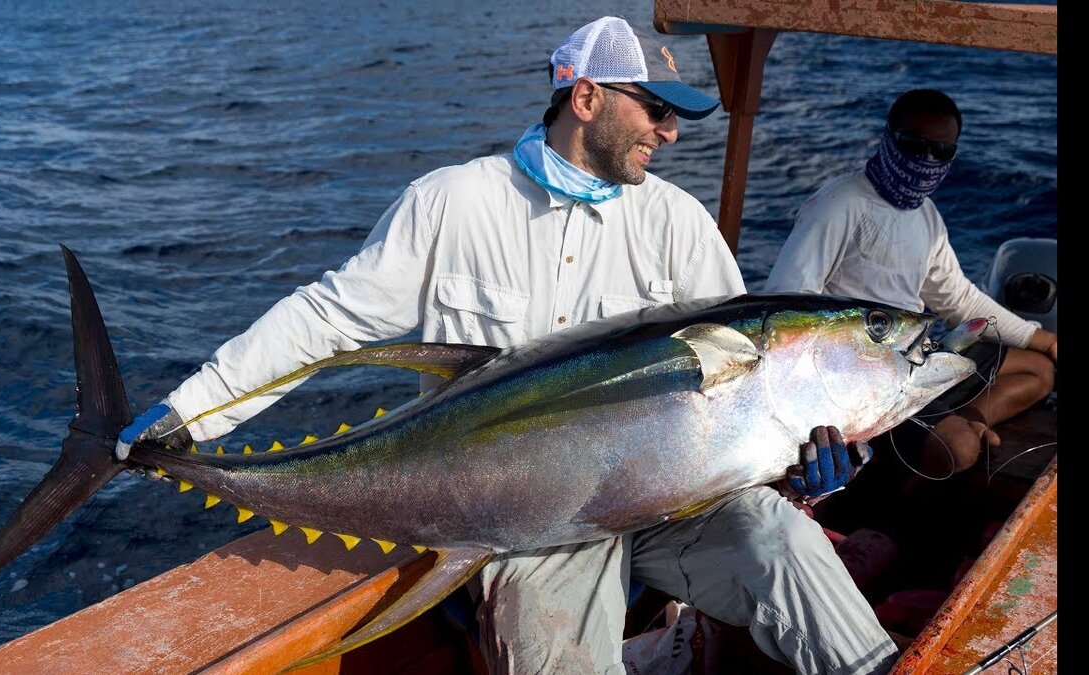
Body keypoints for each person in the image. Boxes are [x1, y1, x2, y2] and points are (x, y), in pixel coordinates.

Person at [116, 17, 898, 674]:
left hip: (674, 500)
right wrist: (193, 412)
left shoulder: (676, 224)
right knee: (556, 641)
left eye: (676, 116)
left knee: (784, 541)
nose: (667, 131)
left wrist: (808, 465)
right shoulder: (455, 203)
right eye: (656, 108)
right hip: (522, 520)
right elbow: (330, 317)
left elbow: (755, 378)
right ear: (586, 97)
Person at [765, 88, 1057, 478]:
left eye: (941, 152)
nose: (925, 159)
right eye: (912, 144)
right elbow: (788, 299)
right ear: (888, 137)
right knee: (960, 451)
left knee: (1039, 370)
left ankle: (970, 417)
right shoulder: (841, 203)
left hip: (917, 356)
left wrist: (1047, 340)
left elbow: (957, 298)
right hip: (866, 378)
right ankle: (911, 488)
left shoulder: (927, 215)